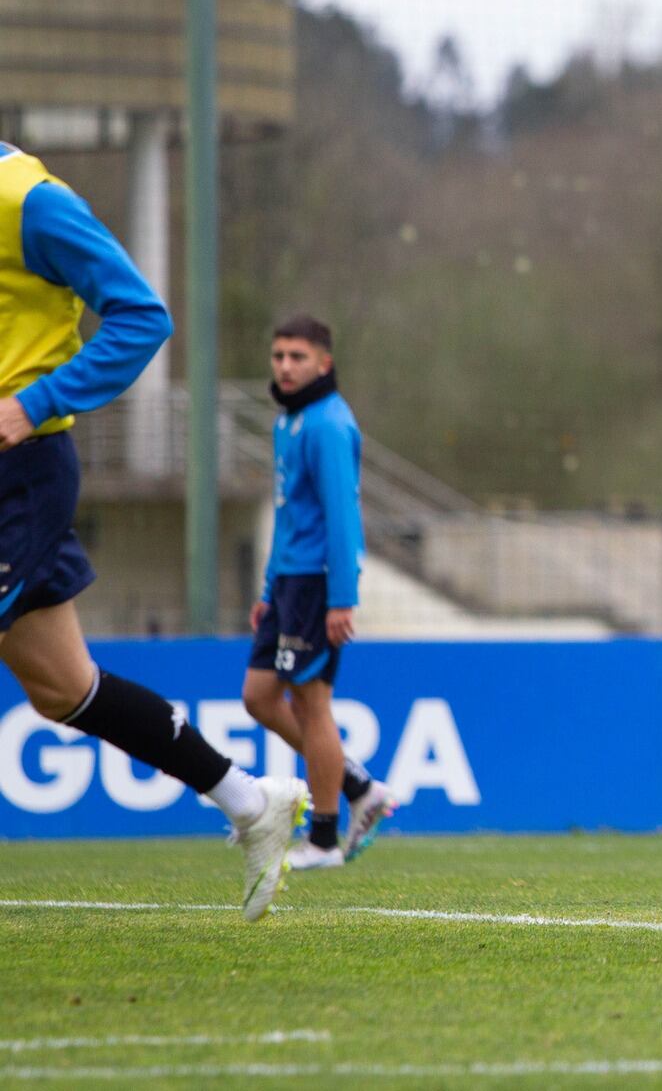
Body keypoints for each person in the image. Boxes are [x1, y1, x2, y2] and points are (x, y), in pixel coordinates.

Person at [0, 141, 304, 920]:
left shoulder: (29, 201)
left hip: (18, 476)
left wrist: (32, 403)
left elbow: (142, 315)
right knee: (65, 688)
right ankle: (250, 798)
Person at [245, 315, 394, 870]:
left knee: (311, 704)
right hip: (287, 583)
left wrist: (341, 597)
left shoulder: (330, 424)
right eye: (279, 355)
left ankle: (325, 840)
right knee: (258, 696)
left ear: (324, 364)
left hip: (315, 584)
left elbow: (343, 516)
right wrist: (268, 586)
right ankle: (357, 784)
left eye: (297, 357)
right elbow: (288, 516)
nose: (285, 366)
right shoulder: (291, 421)